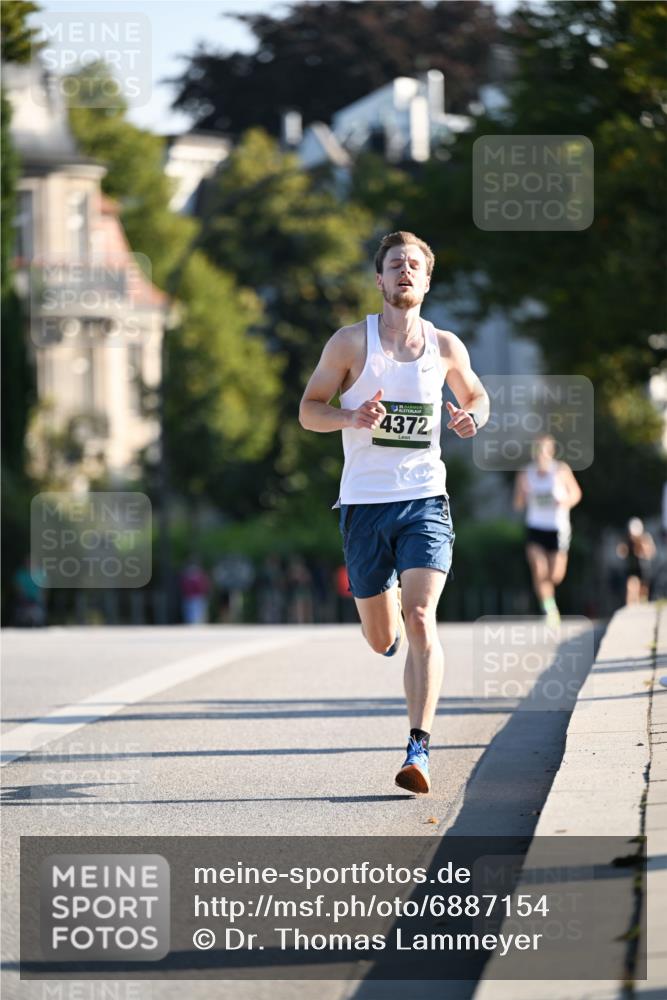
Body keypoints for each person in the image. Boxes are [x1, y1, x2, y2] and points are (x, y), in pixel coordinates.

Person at [299, 230, 489, 794]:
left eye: (415, 265)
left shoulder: (445, 346)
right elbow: (309, 411)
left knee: (421, 615)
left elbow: (477, 395)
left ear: (427, 281)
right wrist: (349, 419)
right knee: (381, 635)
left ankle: (419, 749)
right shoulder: (349, 344)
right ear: (379, 279)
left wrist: (471, 417)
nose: (405, 272)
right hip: (363, 506)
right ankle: (389, 644)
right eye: (395, 264)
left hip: (425, 499)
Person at [513, 435, 582, 627]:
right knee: (538, 569)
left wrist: (565, 501)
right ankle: (549, 607)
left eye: (543, 449)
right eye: (537, 449)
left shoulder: (560, 470)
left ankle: (549, 600)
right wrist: (523, 494)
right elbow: (518, 504)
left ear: (550, 451)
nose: (540, 453)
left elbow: (576, 494)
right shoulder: (525, 473)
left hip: (557, 528)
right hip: (535, 526)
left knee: (555, 576)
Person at [616, 518, 656, 605]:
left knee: (643, 591)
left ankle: (641, 605)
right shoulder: (627, 540)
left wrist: (643, 548)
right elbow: (621, 552)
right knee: (632, 586)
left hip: (644, 568)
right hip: (632, 568)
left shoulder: (645, 539)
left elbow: (651, 553)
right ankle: (631, 605)